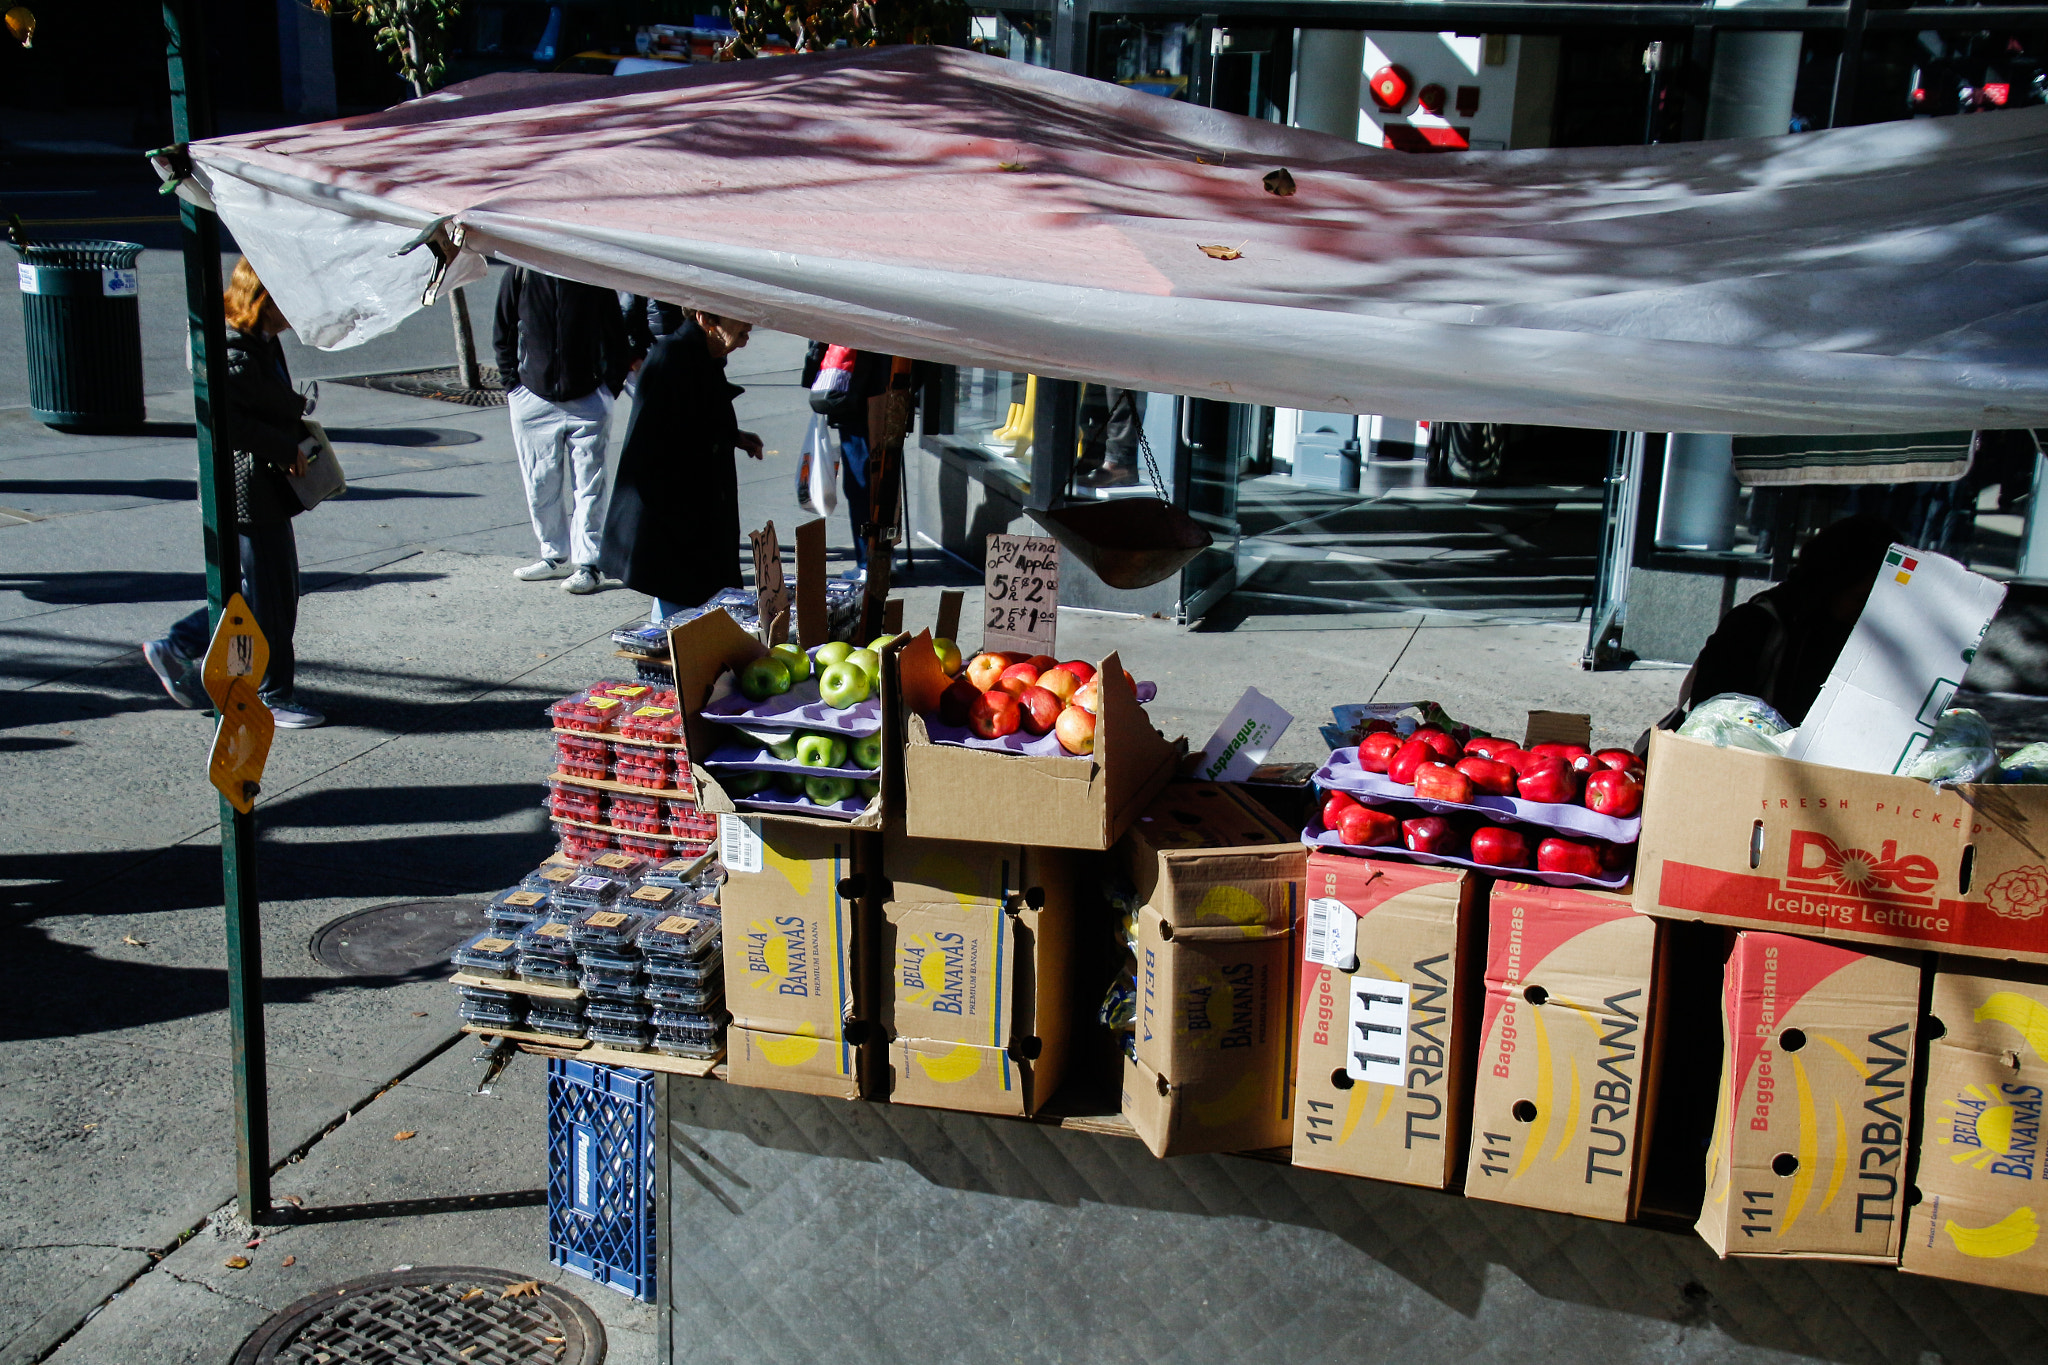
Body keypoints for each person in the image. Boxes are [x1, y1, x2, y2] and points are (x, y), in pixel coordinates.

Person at [143, 258, 325, 728]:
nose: (295, 315)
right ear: (265, 300)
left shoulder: (257, 338)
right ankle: (266, 692)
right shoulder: (233, 346)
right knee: (267, 596)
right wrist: (282, 443)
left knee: (259, 590)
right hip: (247, 488)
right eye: (288, 303)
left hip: (259, 485)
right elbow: (227, 418)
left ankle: (195, 649)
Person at [599, 311, 765, 621]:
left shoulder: (704, 355)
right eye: (738, 315)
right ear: (705, 319)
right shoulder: (672, 359)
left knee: (696, 608)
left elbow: (697, 416)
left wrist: (733, 435)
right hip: (678, 522)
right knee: (681, 612)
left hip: (698, 517)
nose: (749, 324)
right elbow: (652, 446)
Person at [493, 266, 633, 595]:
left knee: (590, 484)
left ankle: (588, 564)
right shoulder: (519, 273)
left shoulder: (592, 276)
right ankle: (553, 554)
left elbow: (615, 334)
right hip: (532, 396)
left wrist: (607, 389)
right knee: (540, 482)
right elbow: (503, 331)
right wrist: (512, 385)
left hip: (586, 397)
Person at [1686, 512, 1901, 726]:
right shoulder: (1753, 626)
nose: (1865, 613)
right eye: (1860, 600)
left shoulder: (1856, 638)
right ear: (1833, 583)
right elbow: (1708, 718)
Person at [801, 341, 894, 576]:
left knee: (862, 482)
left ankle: (869, 560)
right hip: (885, 389)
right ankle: (880, 554)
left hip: (858, 393)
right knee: (882, 476)